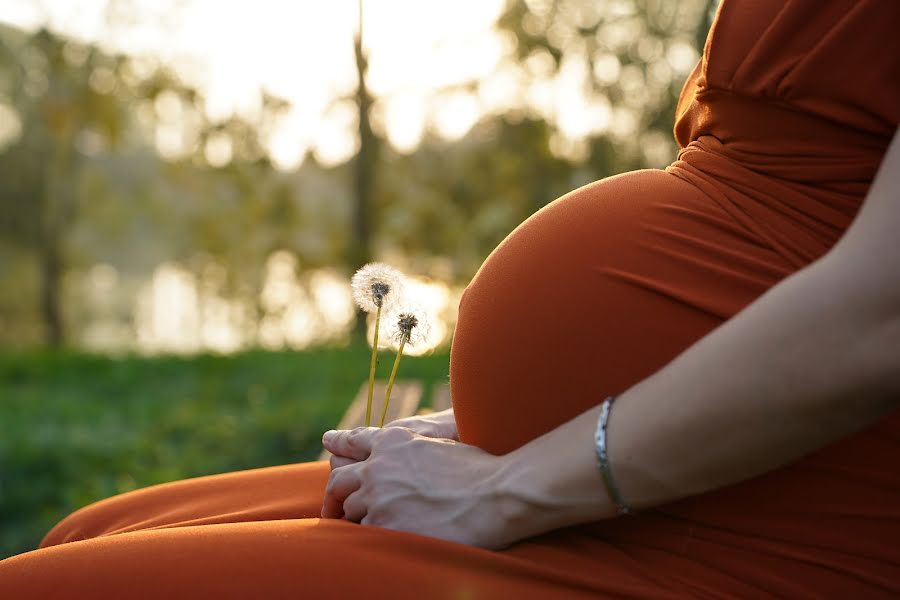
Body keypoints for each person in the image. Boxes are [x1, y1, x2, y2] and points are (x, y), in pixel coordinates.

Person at [2, 0, 898, 597]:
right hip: (646, 476)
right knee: (90, 530)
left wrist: (509, 487)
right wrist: (509, 423)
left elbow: (880, 319)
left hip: (770, 517)